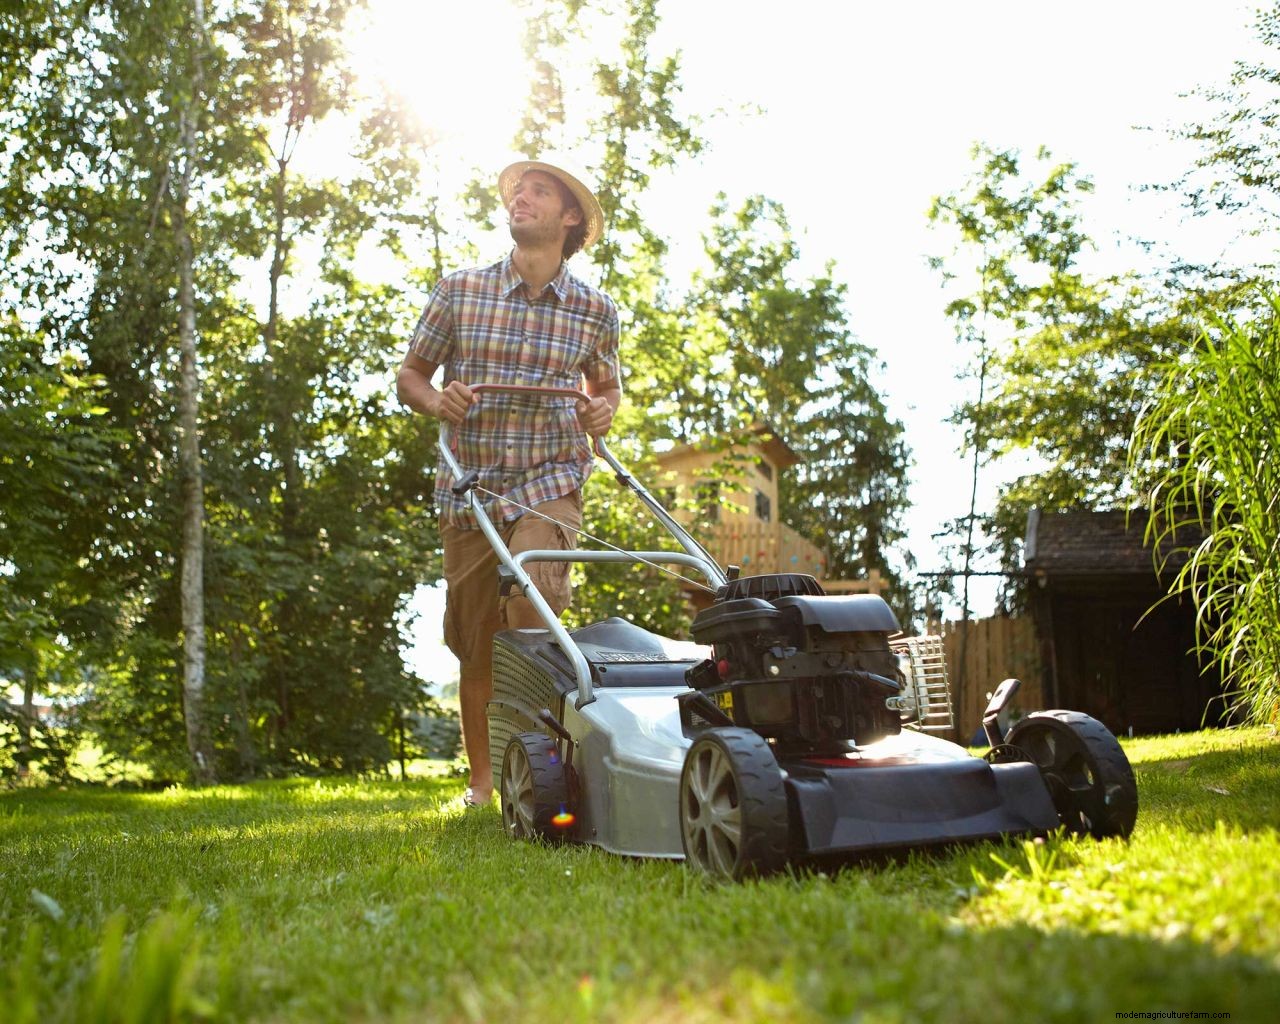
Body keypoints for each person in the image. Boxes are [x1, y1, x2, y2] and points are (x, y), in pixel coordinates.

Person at [396, 158, 622, 807]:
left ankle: (547, 764)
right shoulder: (460, 290)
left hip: (552, 472)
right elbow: (411, 375)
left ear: (569, 217)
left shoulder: (595, 310)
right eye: (518, 190)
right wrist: (437, 400)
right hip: (470, 484)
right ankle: (485, 782)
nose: (521, 197)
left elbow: (605, 387)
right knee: (479, 645)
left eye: (538, 190)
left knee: (530, 588)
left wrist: (602, 408)